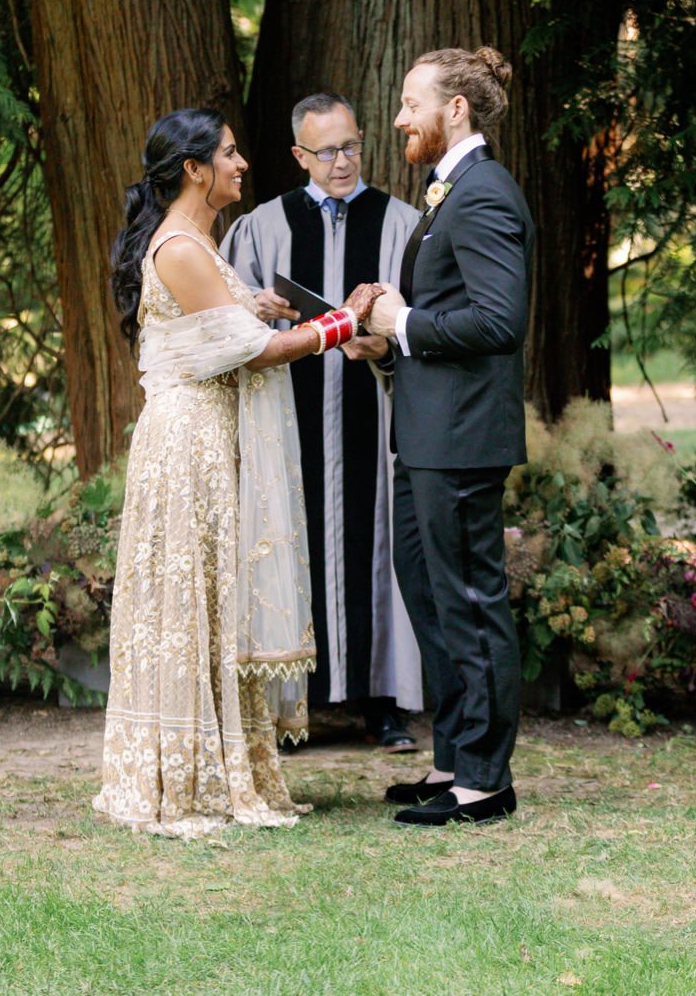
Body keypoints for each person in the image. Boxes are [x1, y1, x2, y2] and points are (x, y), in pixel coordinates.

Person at [93, 108, 372, 839]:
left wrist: (259, 306)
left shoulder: (198, 243)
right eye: (228, 153)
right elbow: (253, 354)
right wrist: (343, 322)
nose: (242, 163)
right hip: (188, 443)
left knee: (216, 596)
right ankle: (185, 771)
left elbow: (220, 328)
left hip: (207, 436)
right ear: (193, 169)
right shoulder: (182, 245)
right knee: (194, 598)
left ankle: (220, 760)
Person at [355, 46, 532, 827]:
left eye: (409, 103)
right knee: (431, 599)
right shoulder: (447, 193)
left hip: (461, 440)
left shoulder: (485, 192)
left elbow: (500, 320)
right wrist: (386, 336)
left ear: (454, 109)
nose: (399, 118)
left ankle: (487, 782)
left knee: (470, 601)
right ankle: (455, 761)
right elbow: (444, 316)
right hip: (426, 434)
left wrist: (407, 321)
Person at [223, 93, 424, 752]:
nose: (342, 163)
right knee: (291, 544)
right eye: (326, 151)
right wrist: (260, 310)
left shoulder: (401, 226)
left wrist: (386, 347)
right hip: (293, 421)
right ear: (298, 155)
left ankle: (383, 700)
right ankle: (292, 704)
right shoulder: (263, 228)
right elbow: (225, 323)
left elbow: (430, 324)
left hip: (375, 416)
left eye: (351, 146)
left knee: (379, 551)